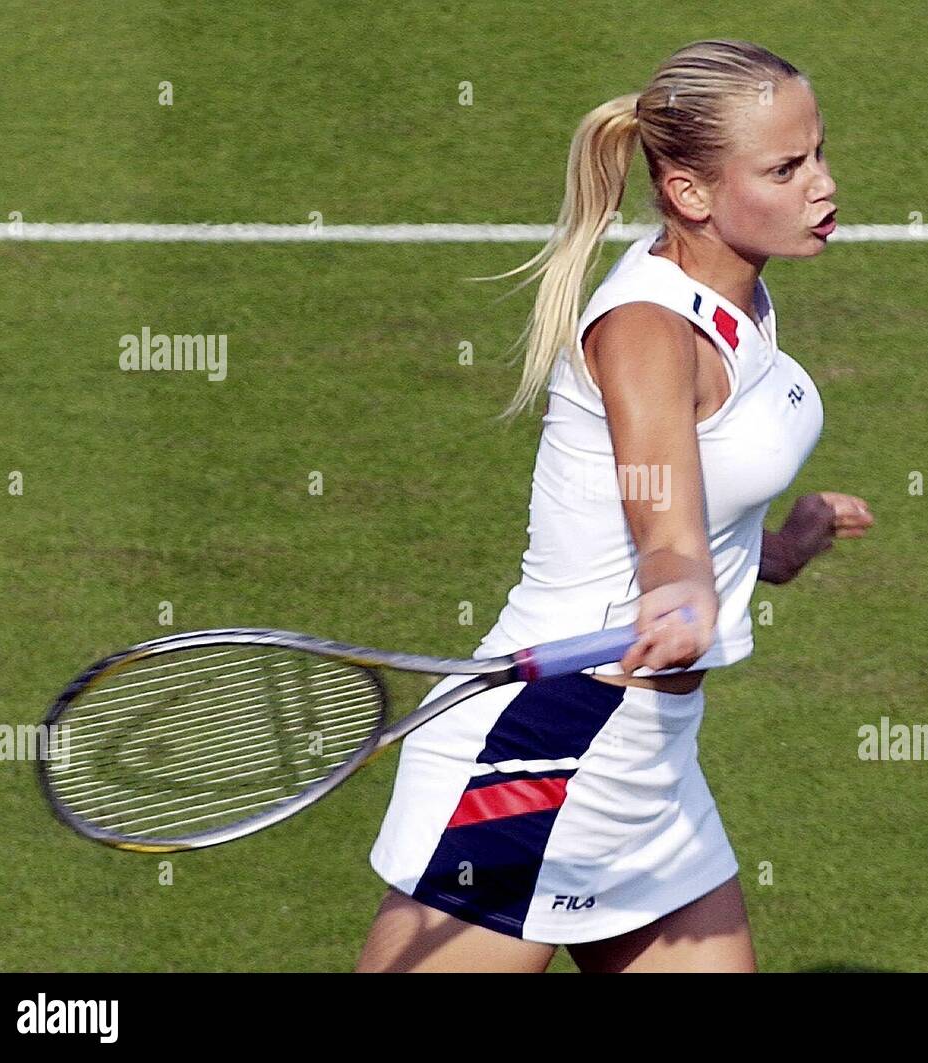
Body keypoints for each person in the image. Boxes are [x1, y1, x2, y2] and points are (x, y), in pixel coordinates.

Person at [357, 38, 874, 973]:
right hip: (543, 750)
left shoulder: (742, 302)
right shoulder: (646, 329)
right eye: (787, 168)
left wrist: (784, 547)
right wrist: (679, 589)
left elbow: (705, 521)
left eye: (820, 153)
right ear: (690, 194)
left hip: (648, 760)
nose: (823, 184)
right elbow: (661, 520)